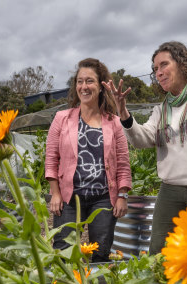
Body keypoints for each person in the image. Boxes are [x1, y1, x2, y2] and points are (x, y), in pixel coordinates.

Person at [103, 41, 187, 255]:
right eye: (155, 69)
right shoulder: (162, 110)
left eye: (164, 65)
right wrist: (124, 113)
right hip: (170, 189)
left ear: (183, 64)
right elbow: (142, 139)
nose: (159, 72)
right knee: (159, 251)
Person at [45, 58, 132, 262]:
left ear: (101, 86)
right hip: (69, 198)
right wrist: (55, 193)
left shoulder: (114, 123)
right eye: (80, 81)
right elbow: (51, 158)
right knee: (63, 250)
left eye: (90, 81)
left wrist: (122, 195)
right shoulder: (62, 118)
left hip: (103, 197)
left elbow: (122, 163)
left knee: (100, 253)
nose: (84, 86)